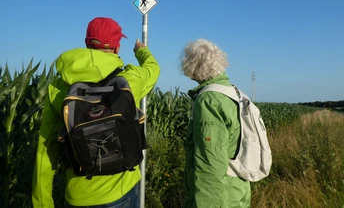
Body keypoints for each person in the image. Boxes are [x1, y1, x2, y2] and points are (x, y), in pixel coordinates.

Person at [32, 17, 160, 208]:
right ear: (117, 48)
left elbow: (45, 151)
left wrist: (43, 204)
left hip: (78, 194)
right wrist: (142, 51)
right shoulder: (130, 81)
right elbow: (153, 69)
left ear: (86, 43)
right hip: (122, 193)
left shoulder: (59, 89)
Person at [180, 39, 251, 208]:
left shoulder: (209, 100)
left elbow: (210, 163)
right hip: (237, 190)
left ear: (193, 65)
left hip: (220, 197)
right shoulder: (233, 92)